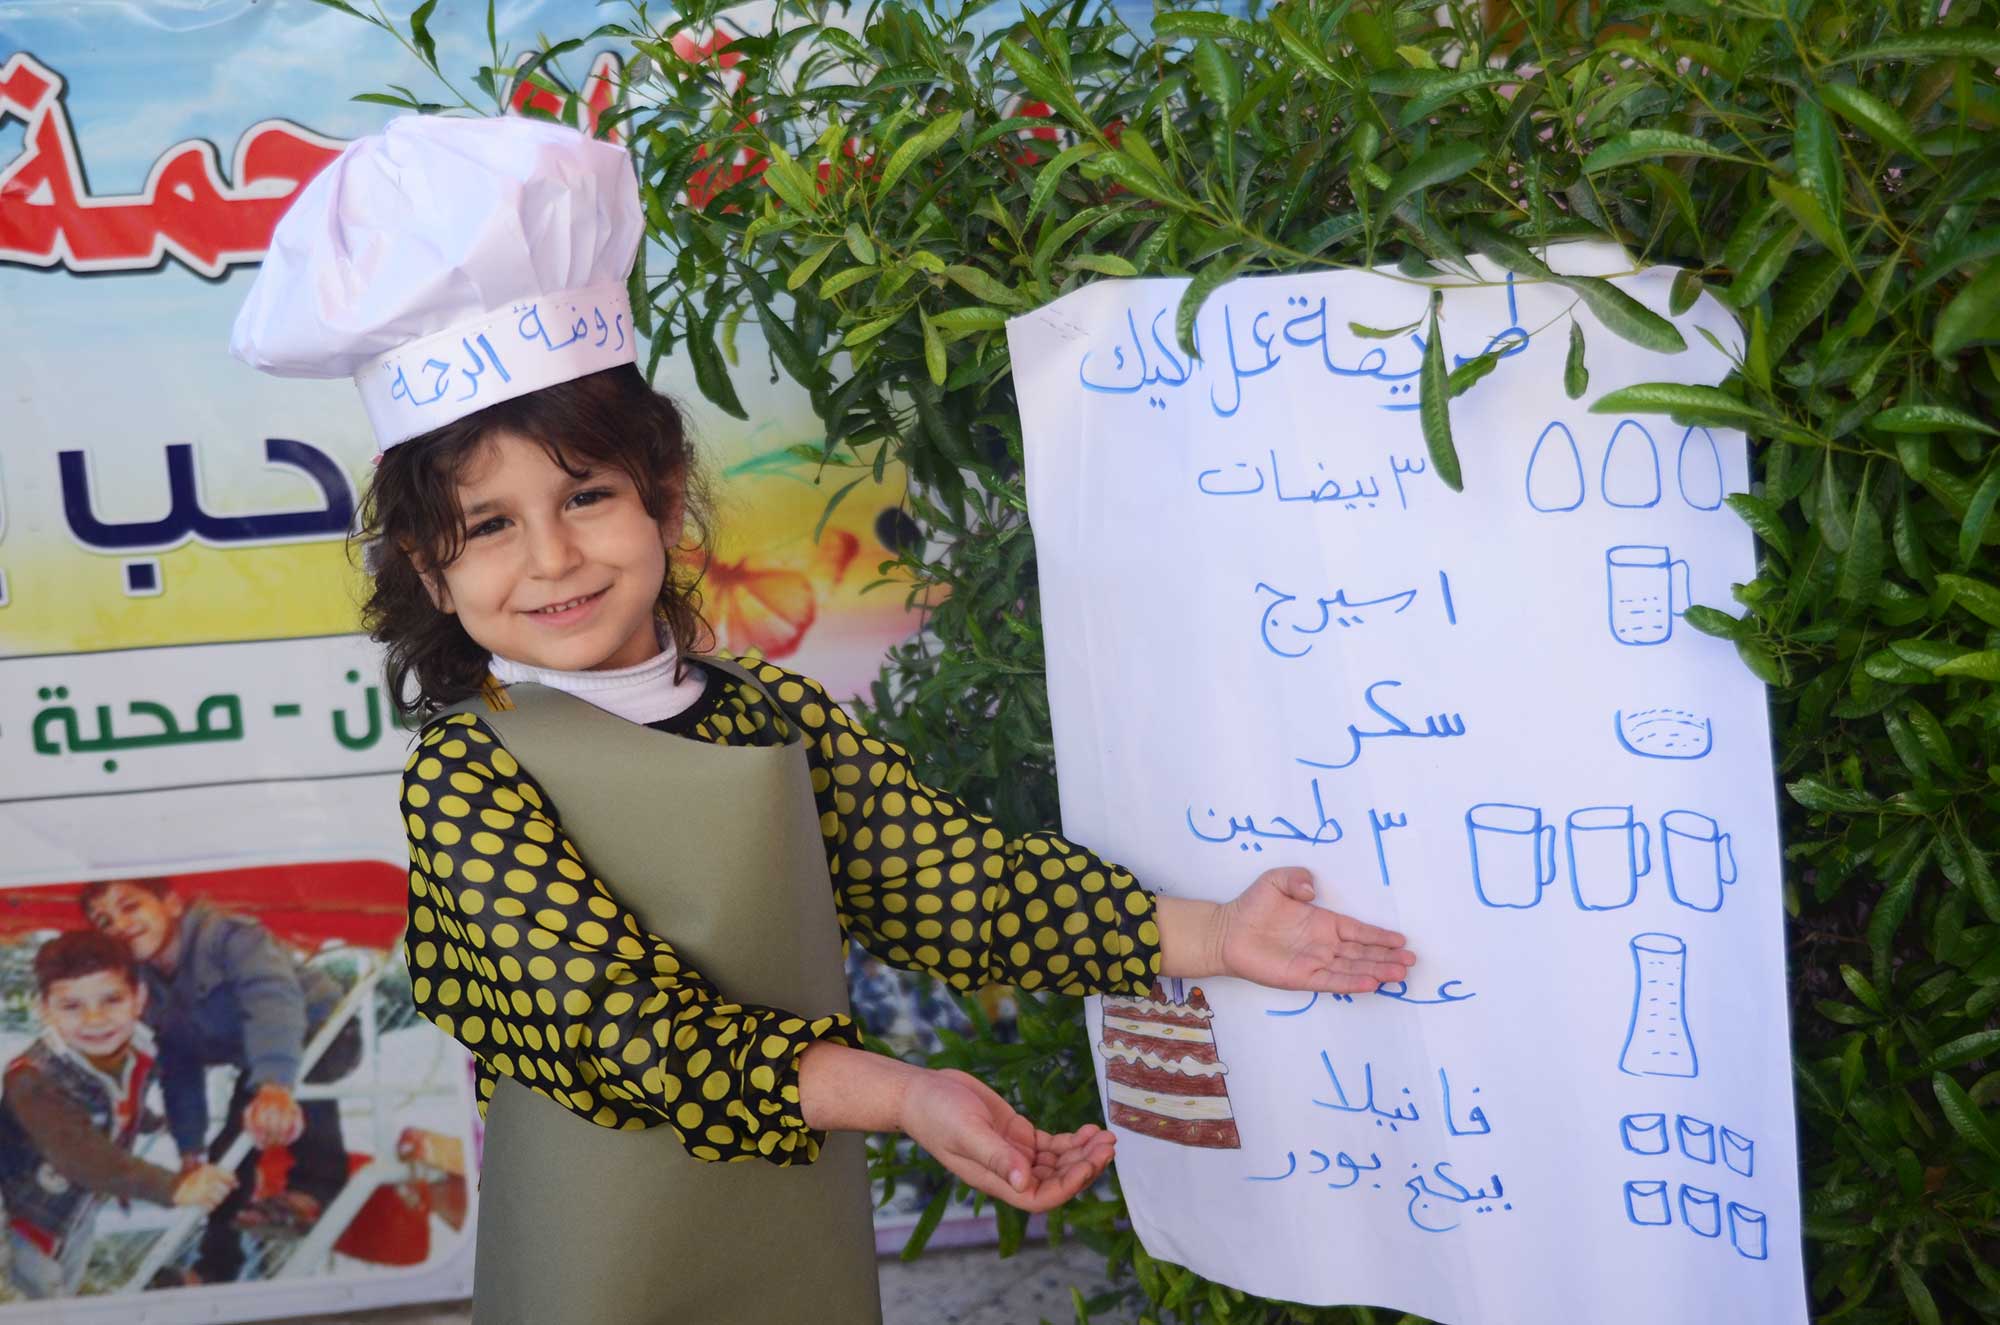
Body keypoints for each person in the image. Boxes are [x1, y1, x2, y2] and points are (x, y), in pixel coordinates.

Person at [228, 113, 1417, 1324]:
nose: (551, 557)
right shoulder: (468, 772)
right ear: (430, 571)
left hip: (792, 1210)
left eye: (585, 496)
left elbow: (954, 884)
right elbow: (630, 1033)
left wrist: (1220, 935)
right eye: (488, 526)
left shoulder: (772, 716)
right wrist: (908, 1095)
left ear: (663, 500)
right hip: (602, 1242)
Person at [78, 879, 360, 1282]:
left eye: (130, 906)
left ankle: (313, 1188)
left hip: (323, 1029)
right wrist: (189, 1149)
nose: (120, 924)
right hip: (261, 1056)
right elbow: (179, 1066)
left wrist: (275, 1087)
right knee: (228, 1149)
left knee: (302, 1064)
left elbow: (273, 1001)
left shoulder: (230, 937)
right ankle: (214, 1269)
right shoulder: (147, 986)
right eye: (105, 920)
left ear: (172, 904)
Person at [0, 931, 236, 1298]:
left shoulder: (138, 1051)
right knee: (38, 1297)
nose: (95, 1019)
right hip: (19, 1215)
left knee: (65, 1282)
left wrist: (153, 1121)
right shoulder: (31, 1078)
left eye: (111, 999)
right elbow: (79, 1154)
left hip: (72, 1208)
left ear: (138, 999)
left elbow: (113, 1103)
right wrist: (173, 1186)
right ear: (44, 1010)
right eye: (72, 1006)